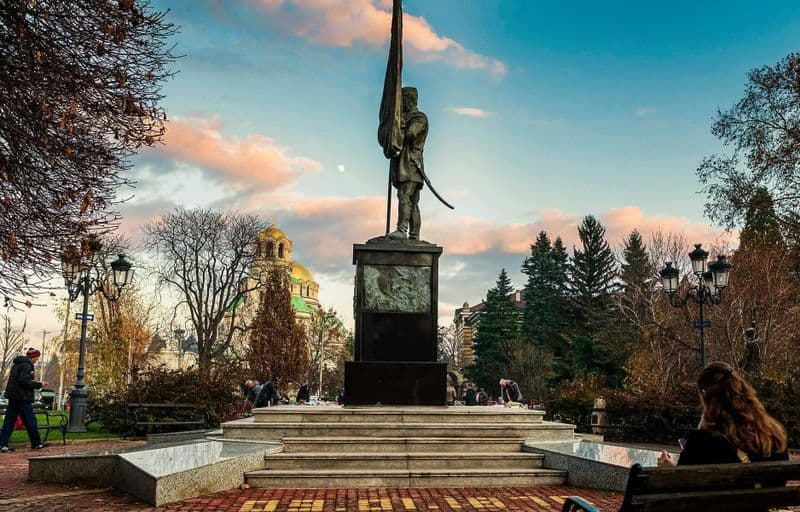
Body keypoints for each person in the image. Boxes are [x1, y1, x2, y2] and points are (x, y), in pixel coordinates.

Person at [658, 362, 788, 469]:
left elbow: (685, 484)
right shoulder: (773, 434)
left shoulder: (703, 441)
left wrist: (669, 468)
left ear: (704, 394)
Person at [387, 87, 428, 241]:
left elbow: (410, 134)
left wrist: (397, 126)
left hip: (411, 165)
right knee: (411, 201)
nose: (401, 105)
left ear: (410, 100)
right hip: (406, 164)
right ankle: (413, 235)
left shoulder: (419, 118)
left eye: (402, 101)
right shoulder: (407, 118)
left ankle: (403, 230)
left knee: (406, 196)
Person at [0, 348, 50, 452]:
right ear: (33, 357)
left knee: (9, 422)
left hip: (14, 397)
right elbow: (24, 381)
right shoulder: (27, 365)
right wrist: (39, 384)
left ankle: (2, 444)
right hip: (22, 398)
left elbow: (20, 380)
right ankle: (36, 443)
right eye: (37, 358)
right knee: (30, 421)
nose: (37, 360)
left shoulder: (17, 364)